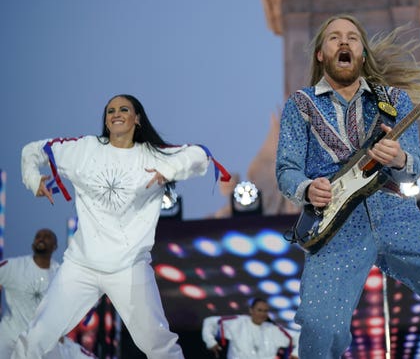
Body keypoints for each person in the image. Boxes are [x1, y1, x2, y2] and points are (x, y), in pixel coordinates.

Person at [275, 14, 420, 358]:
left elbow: (415, 171)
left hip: (396, 213)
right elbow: (287, 170)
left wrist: (398, 159)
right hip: (336, 229)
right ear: (320, 54)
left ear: (362, 53)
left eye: (352, 37)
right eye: (334, 38)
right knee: (321, 328)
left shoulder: (393, 100)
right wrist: (306, 188)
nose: (344, 42)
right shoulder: (300, 104)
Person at [13, 94, 229, 359]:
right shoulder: (84, 149)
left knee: (158, 344)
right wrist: (33, 180)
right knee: (37, 334)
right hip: (81, 266)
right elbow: (33, 150)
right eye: (110, 110)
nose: (116, 114)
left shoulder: (153, 155)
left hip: (129, 269)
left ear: (136, 118)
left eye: (123, 109)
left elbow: (201, 155)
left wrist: (171, 169)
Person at [0, 228, 95, 358]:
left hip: (41, 341)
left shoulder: (60, 276)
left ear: (55, 246)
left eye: (47, 236)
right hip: (9, 336)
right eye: (38, 236)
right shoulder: (14, 266)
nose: (41, 238)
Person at [201, 298, 299, 359]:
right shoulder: (238, 322)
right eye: (259, 310)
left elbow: (300, 336)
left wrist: (295, 354)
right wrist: (210, 342)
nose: (262, 314)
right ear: (251, 310)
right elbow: (209, 322)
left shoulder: (273, 329)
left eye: (265, 311)